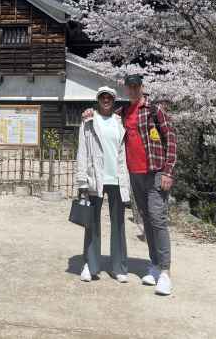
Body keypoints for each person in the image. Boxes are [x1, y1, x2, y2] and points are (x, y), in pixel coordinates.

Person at [82, 75, 177, 296]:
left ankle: (165, 272)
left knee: (157, 218)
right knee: (146, 218)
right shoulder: (122, 114)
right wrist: (88, 112)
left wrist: (168, 171)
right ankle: (154, 265)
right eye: (130, 88)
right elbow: (102, 118)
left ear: (142, 88)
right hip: (134, 175)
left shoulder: (155, 110)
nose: (133, 91)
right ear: (126, 90)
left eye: (137, 87)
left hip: (155, 173)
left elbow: (171, 138)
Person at [75, 86, 130, 283]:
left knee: (119, 224)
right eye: (102, 97)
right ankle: (90, 265)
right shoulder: (88, 120)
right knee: (92, 223)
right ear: (98, 100)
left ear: (113, 100)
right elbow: (82, 151)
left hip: (117, 178)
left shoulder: (120, 121)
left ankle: (119, 267)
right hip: (95, 178)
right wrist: (81, 180)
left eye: (109, 97)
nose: (106, 100)